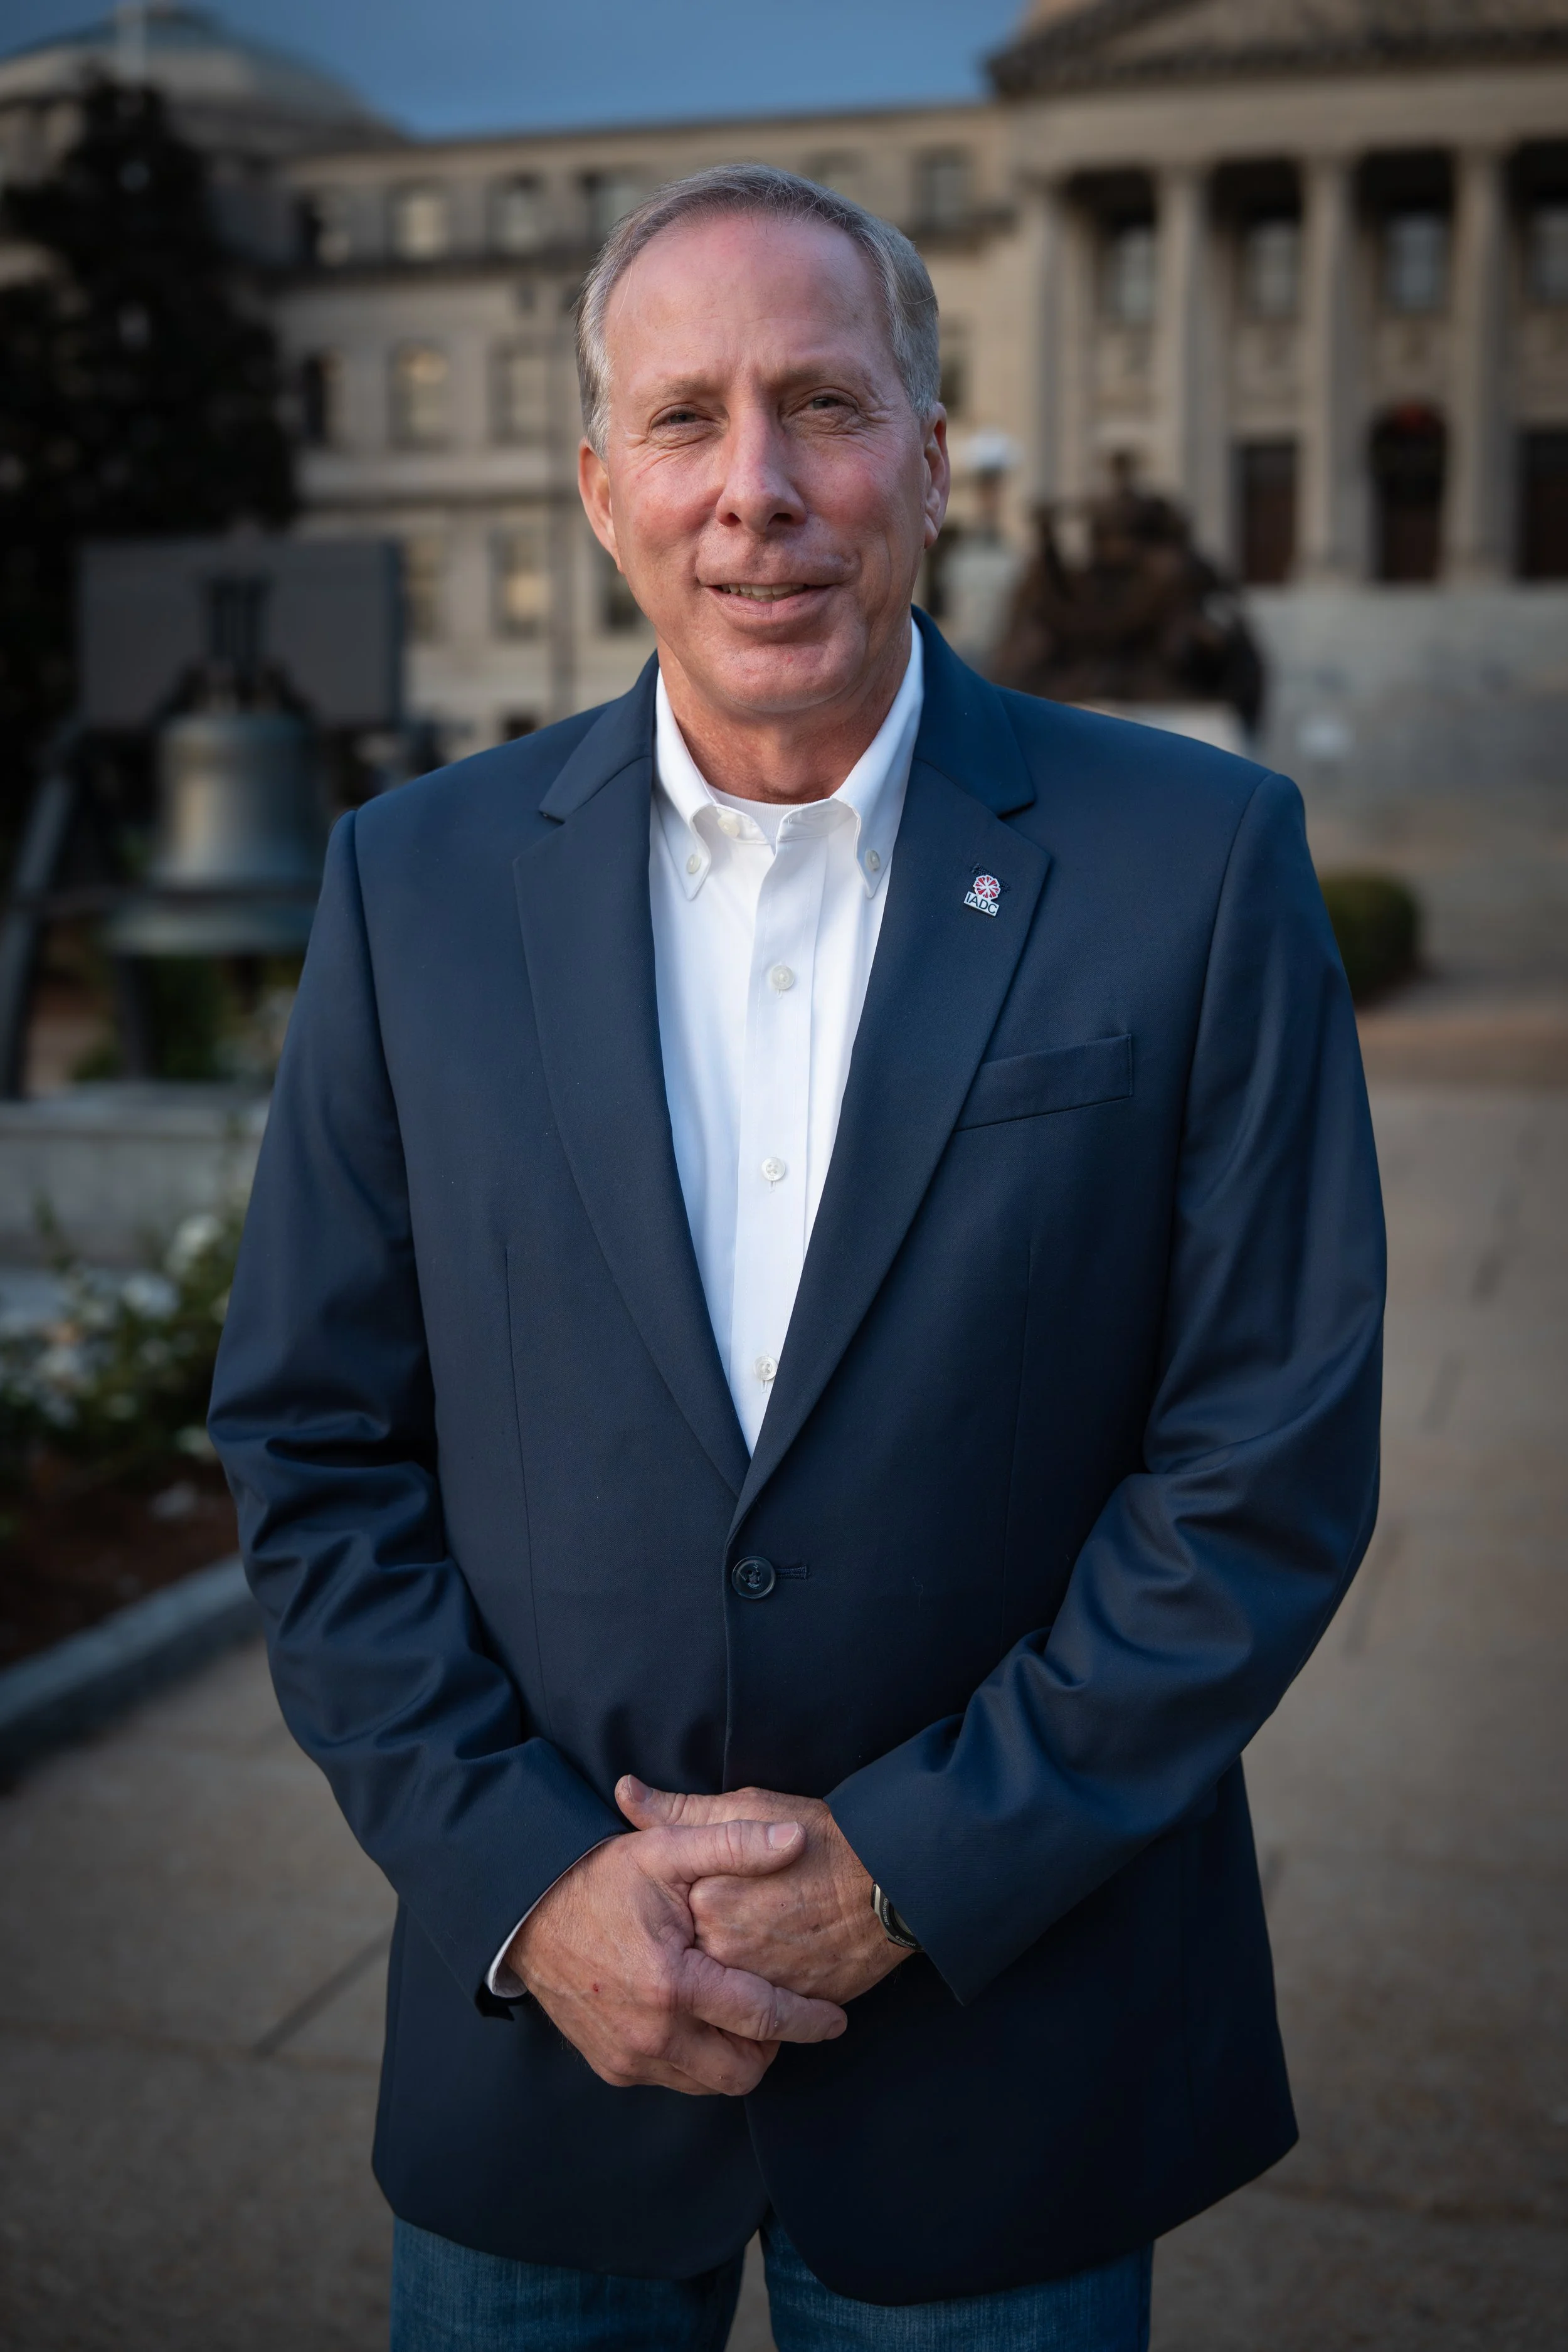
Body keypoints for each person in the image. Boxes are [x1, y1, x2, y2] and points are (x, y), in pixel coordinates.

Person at [208, 165, 1384, 2352]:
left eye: (825, 405)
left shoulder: (1195, 863)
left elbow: (1262, 1462)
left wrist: (907, 1873)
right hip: (538, 2050)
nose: (756, 491)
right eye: (684, 421)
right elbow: (310, 1443)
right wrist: (530, 1883)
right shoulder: (414, 884)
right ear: (596, 486)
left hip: (1009, 2045)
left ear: (934, 461)